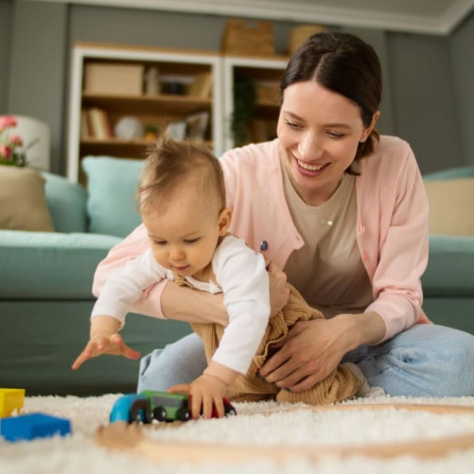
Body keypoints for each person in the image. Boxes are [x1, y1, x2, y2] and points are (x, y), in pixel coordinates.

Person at [93, 32, 474, 399]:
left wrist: (343, 332)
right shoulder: (234, 172)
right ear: (280, 108)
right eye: (293, 123)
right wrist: (233, 308)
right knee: (161, 382)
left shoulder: (395, 163)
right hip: (255, 332)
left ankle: (327, 377)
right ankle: (302, 381)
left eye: (334, 133)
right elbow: (110, 275)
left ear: (369, 125)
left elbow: (402, 295)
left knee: (464, 363)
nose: (307, 150)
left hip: (360, 335)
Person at [74, 137, 368, 419]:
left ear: (222, 223)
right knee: (211, 397)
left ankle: (351, 376)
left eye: (190, 240)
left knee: (306, 395)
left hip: (280, 342)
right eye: (160, 241)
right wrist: (104, 328)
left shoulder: (234, 258)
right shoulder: (166, 256)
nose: (174, 256)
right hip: (238, 353)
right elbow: (120, 284)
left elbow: (248, 318)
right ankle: (248, 386)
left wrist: (213, 377)